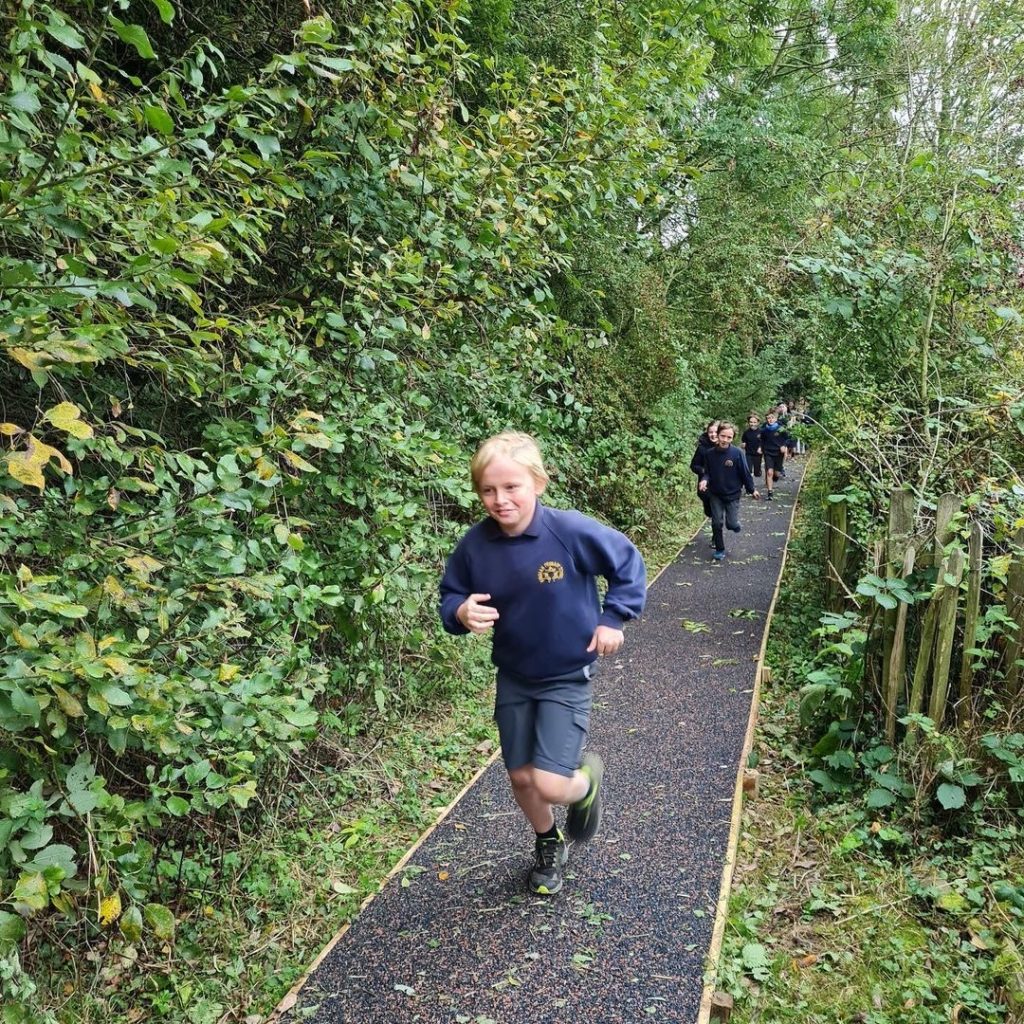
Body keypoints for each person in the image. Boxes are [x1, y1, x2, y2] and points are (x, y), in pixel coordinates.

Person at [439, 432, 646, 896]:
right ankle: (548, 840)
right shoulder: (475, 545)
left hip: (567, 674)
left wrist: (615, 618)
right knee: (519, 776)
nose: (500, 499)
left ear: (538, 482)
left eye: (512, 487)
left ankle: (584, 784)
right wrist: (461, 611)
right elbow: (450, 594)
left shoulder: (568, 531)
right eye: (488, 490)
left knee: (550, 782)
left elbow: (627, 563)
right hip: (514, 673)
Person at [698, 422, 759, 561]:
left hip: (733, 494)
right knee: (716, 523)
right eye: (722, 436)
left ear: (733, 438)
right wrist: (704, 480)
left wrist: (752, 489)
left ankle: (734, 524)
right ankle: (720, 549)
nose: (725, 440)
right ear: (718, 435)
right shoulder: (709, 454)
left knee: (731, 524)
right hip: (715, 494)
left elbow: (745, 473)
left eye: (729, 437)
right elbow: (707, 472)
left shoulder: (737, 453)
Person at [690, 420, 720, 523]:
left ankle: (717, 536)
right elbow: (694, 465)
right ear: (707, 433)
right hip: (705, 486)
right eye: (710, 432)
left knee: (717, 514)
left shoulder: (725, 446)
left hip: (720, 485)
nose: (713, 435)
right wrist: (703, 470)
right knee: (710, 511)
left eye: (716, 432)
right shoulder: (702, 448)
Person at [760, 411, 789, 498]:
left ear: (776, 419)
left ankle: (774, 478)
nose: (770, 420)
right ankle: (770, 492)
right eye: (768, 418)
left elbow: (787, 439)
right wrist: (760, 448)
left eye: (772, 418)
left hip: (778, 453)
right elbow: (761, 440)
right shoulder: (764, 430)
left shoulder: (781, 429)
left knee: (776, 474)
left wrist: (784, 446)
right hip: (768, 452)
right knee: (769, 472)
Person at [741, 413, 762, 479]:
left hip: (757, 454)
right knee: (748, 470)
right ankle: (750, 485)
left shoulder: (761, 432)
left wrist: (761, 448)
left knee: (757, 473)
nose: (752, 424)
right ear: (748, 423)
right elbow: (743, 441)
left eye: (754, 422)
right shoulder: (746, 432)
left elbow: (765, 442)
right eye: (751, 422)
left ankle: (758, 471)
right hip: (748, 453)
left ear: (758, 423)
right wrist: (743, 444)